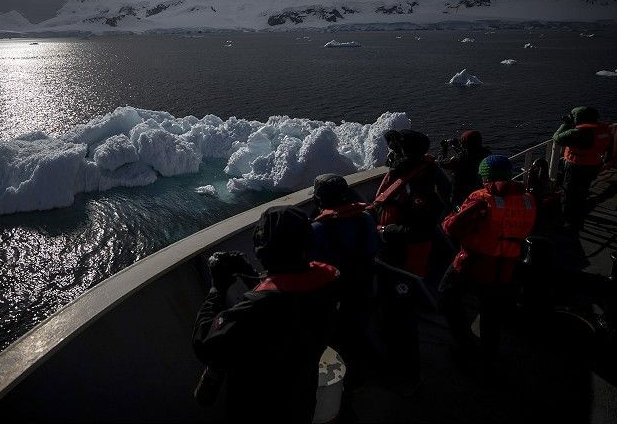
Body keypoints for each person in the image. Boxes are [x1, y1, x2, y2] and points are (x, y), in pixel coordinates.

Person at [192, 206, 339, 422]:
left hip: (258, 408)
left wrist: (217, 289)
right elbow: (290, 297)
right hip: (300, 401)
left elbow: (205, 343)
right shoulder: (327, 284)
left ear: (263, 250)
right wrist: (253, 275)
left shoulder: (257, 309)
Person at [439, 154, 537, 369]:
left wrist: (453, 215)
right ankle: (489, 359)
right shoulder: (527, 198)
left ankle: (466, 346)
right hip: (507, 264)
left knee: (447, 293)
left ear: (485, 176)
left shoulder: (482, 198)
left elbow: (451, 228)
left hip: (475, 262)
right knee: (491, 313)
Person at [371, 129, 449, 393]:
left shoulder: (419, 186)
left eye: (395, 148)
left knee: (401, 321)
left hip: (402, 262)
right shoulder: (408, 173)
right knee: (391, 317)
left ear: (404, 153)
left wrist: (385, 232)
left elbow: (422, 231)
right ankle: (398, 367)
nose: (390, 152)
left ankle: (407, 375)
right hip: (390, 258)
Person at [310, 173, 379, 369]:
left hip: (335, 295)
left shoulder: (318, 229)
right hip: (364, 285)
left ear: (318, 199)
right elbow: (373, 249)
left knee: (340, 337)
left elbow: (310, 264)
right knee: (359, 327)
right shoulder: (365, 218)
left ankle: (351, 376)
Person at [553, 106, 611, 229]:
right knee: (583, 190)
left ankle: (567, 221)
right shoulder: (603, 130)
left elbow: (557, 138)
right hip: (593, 165)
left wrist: (566, 124)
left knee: (569, 193)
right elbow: (609, 146)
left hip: (576, 166)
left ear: (579, 118)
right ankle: (579, 215)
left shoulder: (579, 133)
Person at [439, 130, 491, 207]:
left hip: (462, 192)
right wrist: (459, 146)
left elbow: (443, 163)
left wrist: (443, 149)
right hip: (481, 187)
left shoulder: (462, 158)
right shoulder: (486, 152)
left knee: (461, 208)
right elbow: (472, 150)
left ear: (465, 143)